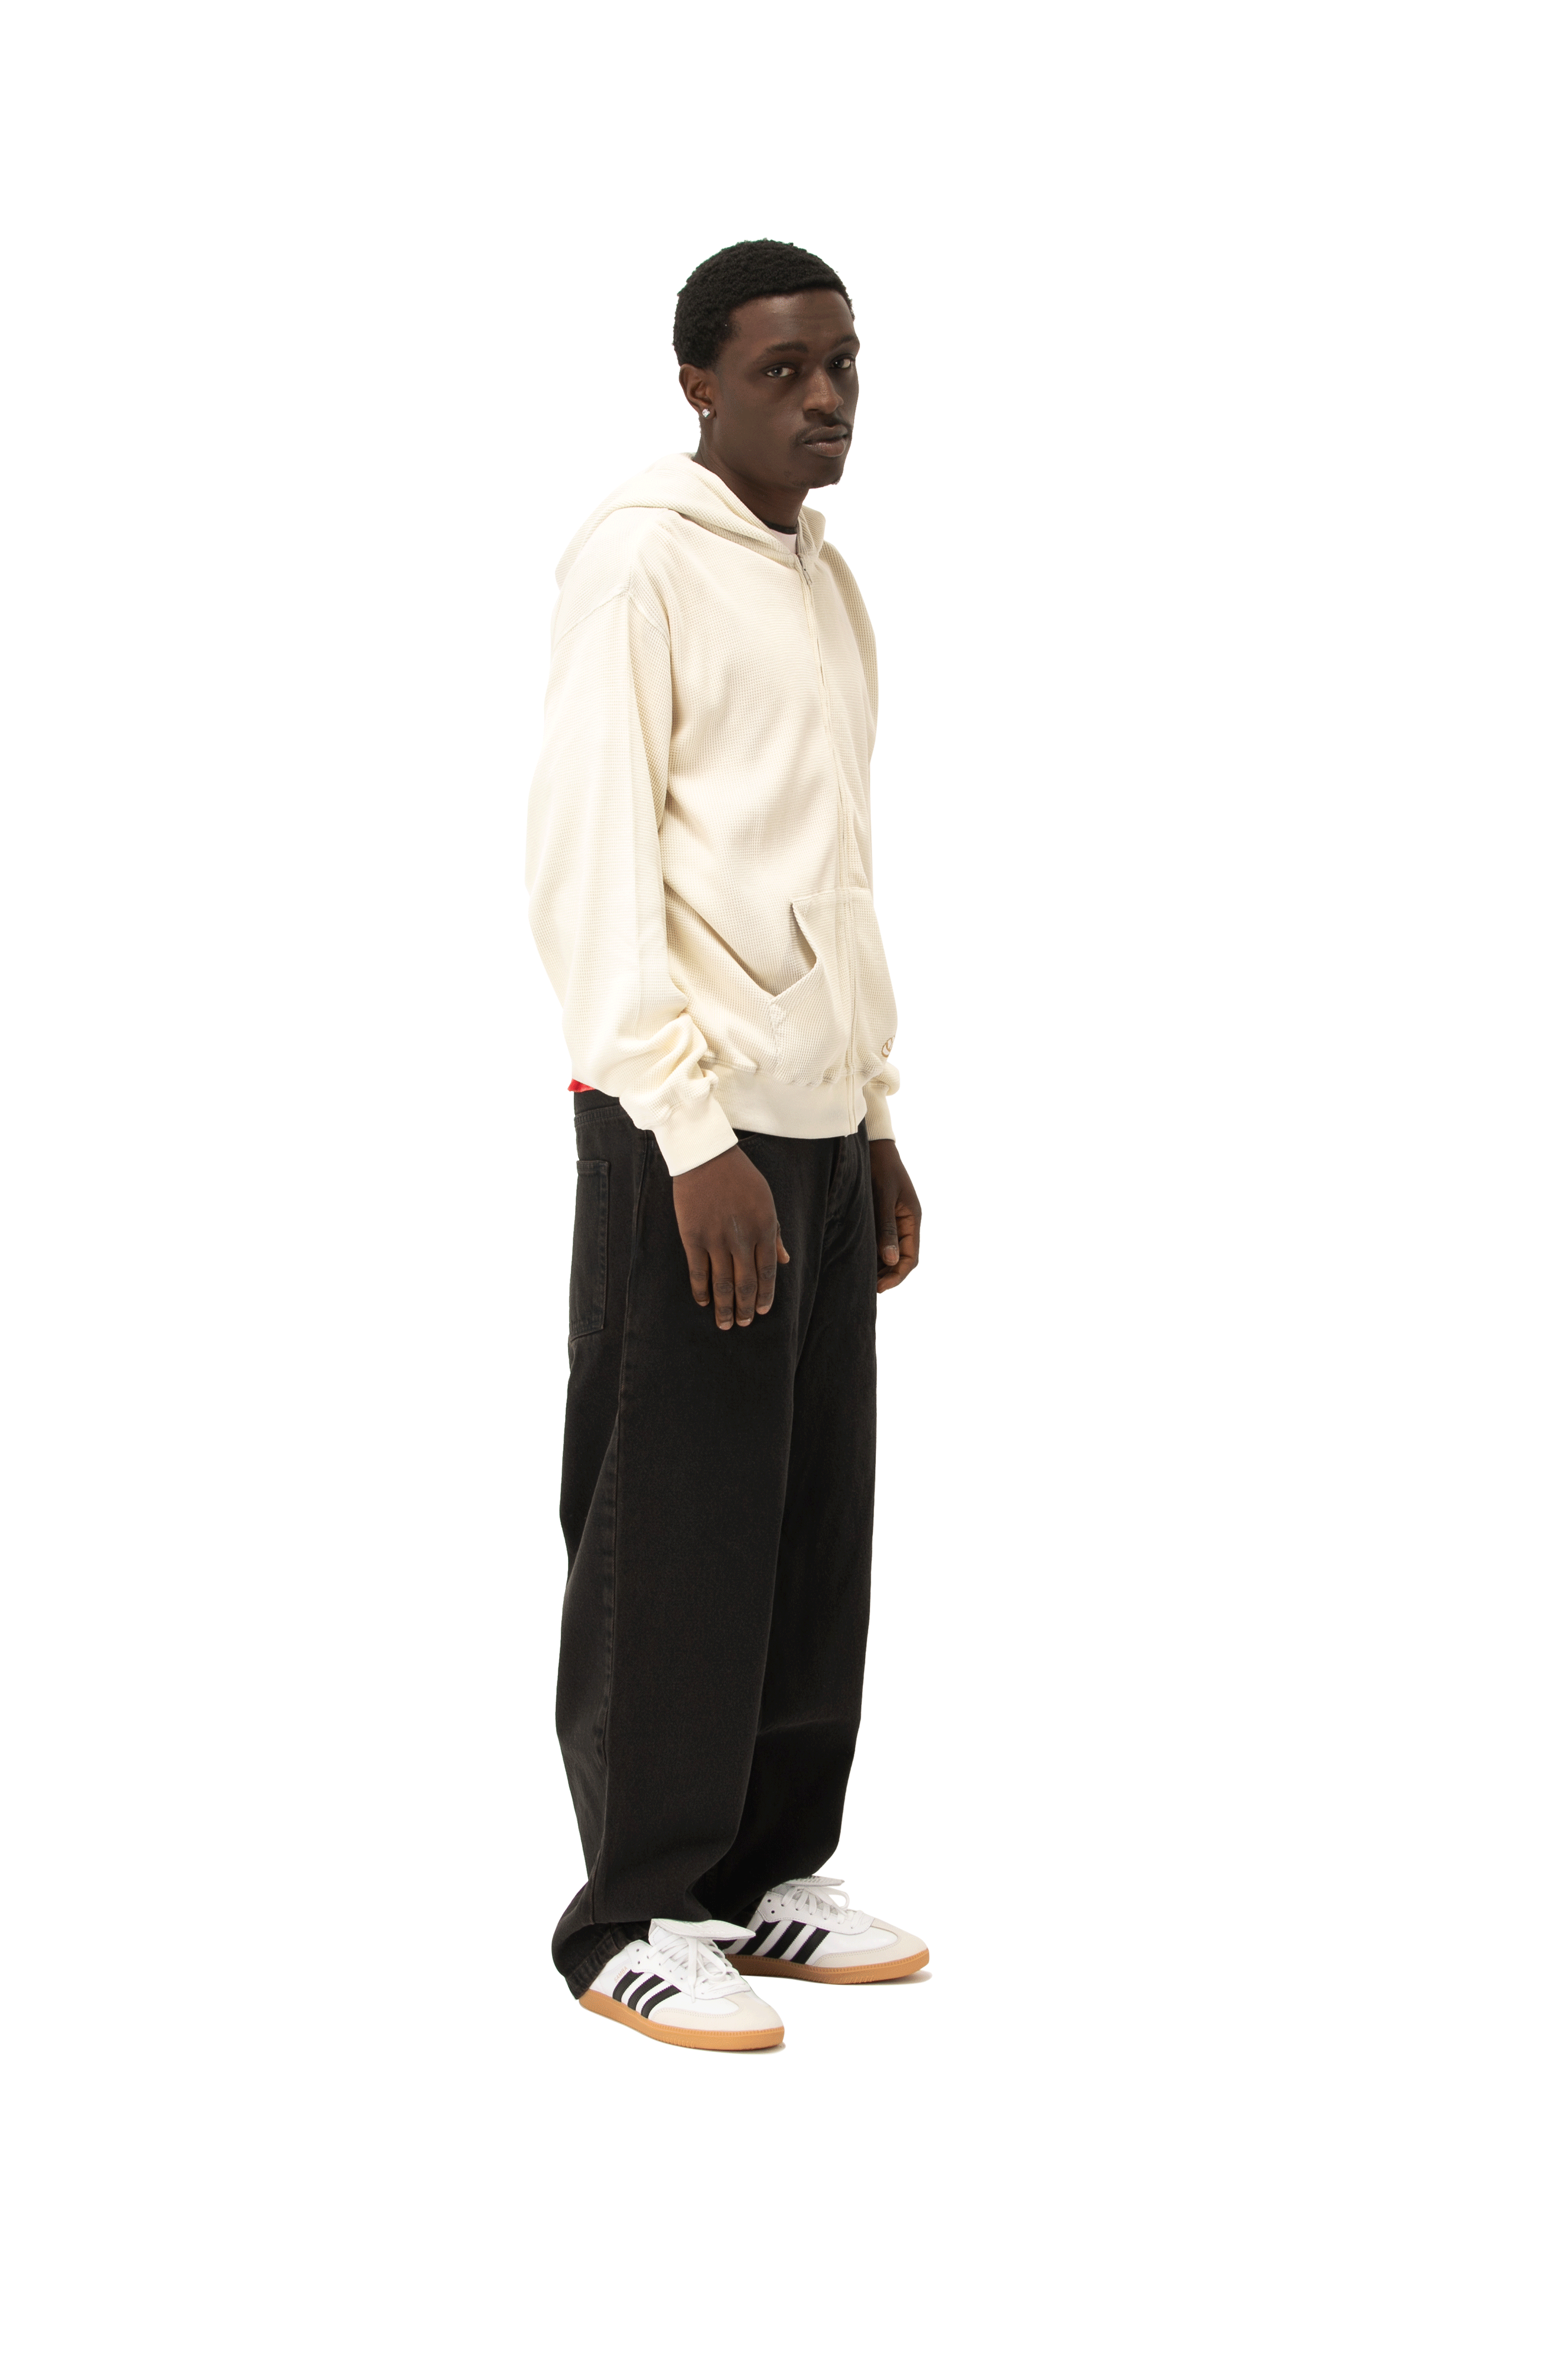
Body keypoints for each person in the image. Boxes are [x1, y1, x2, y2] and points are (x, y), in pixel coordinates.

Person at [526, 240, 927, 2052]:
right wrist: (690, 1134)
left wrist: (873, 1115)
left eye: (843, 365)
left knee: (807, 1520)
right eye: (784, 370)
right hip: (691, 1125)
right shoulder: (640, 560)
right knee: (673, 1516)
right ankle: (631, 1912)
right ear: (699, 384)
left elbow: (828, 874)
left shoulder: (819, 576)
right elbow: (589, 862)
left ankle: (766, 1878)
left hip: (815, 1120)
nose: (826, 398)